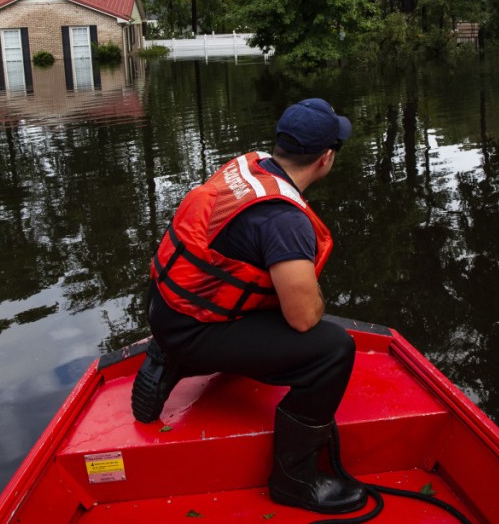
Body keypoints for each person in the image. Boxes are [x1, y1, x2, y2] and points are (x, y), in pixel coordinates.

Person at [131, 98, 366, 515]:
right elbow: (304, 317)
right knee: (333, 348)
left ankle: (170, 356)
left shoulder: (248, 167)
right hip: (195, 329)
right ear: (325, 159)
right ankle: (295, 480)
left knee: (260, 288)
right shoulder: (285, 221)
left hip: (166, 308)